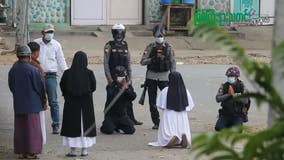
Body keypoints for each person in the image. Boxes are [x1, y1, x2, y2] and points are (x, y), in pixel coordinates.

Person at [8, 45, 45, 159]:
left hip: (19, 103)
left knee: (21, 128)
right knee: (32, 129)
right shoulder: (33, 70)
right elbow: (39, 88)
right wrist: (44, 100)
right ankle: (31, 152)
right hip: (32, 105)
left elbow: (11, 86)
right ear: (28, 55)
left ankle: (21, 152)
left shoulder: (13, 69)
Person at [104, 23, 142, 125]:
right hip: (113, 77)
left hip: (124, 77)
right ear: (113, 33)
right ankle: (108, 119)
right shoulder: (109, 46)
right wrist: (109, 78)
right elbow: (106, 63)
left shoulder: (125, 45)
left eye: (120, 32)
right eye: (117, 32)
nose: (119, 34)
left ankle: (131, 119)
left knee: (128, 99)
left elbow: (128, 63)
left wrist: (130, 77)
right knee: (111, 98)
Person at [60, 51, 96, 157]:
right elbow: (93, 87)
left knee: (72, 126)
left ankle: (73, 150)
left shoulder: (67, 73)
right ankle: (84, 150)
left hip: (71, 104)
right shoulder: (89, 73)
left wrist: (67, 95)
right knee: (85, 125)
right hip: (86, 104)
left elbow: (62, 85)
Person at [140, 24, 176, 129]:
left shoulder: (169, 48)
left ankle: (168, 121)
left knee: (168, 100)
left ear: (164, 35)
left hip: (165, 78)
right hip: (151, 77)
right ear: (154, 36)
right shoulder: (150, 47)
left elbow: (173, 63)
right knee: (152, 102)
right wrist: (152, 59)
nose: (159, 37)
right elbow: (142, 62)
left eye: (161, 35)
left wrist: (173, 77)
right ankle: (156, 122)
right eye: (157, 35)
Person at [34, 23, 68, 134]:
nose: (50, 34)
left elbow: (61, 60)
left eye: (52, 32)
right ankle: (36, 124)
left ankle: (56, 124)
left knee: (53, 101)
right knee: (37, 100)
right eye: (48, 32)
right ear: (42, 33)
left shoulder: (56, 45)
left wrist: (67, 73)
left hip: (51, 76)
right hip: (36, 75)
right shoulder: (35, 43)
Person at [148, 72, 194, 148]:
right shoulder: (185, 91)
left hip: (168, 114)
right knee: (182, 127)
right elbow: (190, 106)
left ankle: (170, 139)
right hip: (182, 114)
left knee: (168, 129)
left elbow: (159, 104)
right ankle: (183, 139)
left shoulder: (165, 91)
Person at [100, 66, 136, 135]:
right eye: (119, 76)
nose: (121, 78)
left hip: (122, 115)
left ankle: (118, 126)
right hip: (111, 115)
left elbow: (133, 97)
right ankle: (107, 124)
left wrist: (126, 89)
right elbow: (112, 96)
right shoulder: (110, 86)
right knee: (108, 130)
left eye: (123, 76)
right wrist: (121, 88)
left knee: (131, 130)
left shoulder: (127, 86)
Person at [215, 66, 250, 131]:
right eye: (228, 76)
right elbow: (217, 99)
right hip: (226, 113)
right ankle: (229, 124)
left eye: (231, 76)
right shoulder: (224, 86)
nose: (229, 78)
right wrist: (228, 94)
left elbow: (246, 101)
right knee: (218, 128)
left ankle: (235, 124)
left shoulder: (242, 86)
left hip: (238, 114)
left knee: (238, 130)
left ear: (236, 77)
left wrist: (234, 95)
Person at [27, 41, 48, 145]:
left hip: (22, 100)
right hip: (35, 100)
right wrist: (44, 101)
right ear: (35, 53)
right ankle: (36, 143)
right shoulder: (36, 67)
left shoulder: (18, 65)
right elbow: (40, 87)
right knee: (37, 124)